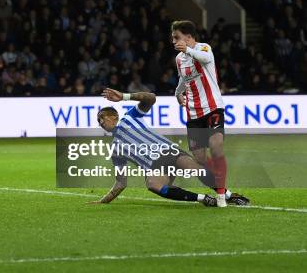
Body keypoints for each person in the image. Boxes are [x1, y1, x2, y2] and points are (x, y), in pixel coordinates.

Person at [89, 88, 249, 207]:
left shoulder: (129, 117)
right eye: (98, 121)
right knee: (153, 184)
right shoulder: (115, 150)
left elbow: (151, 98)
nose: (100, 122)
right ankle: (203, 199)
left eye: (101, 118)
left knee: (194, 168)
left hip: (167, 150)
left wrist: (125, 97)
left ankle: (228, 195)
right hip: (154, 166)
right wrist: (102, 201)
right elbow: (121, 183)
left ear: (114, 116)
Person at [172, 20, 235, 207]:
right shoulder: (178, 59)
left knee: (216, 146)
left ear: (189, 37)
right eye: (173, 37)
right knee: (199, 159)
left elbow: (205, 59)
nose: (173, 41)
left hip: (213, 107)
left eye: (177, 37)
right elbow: (183, 79)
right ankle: (221, 186)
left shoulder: (204, 48)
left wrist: (188, 50)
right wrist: (177, 92)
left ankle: (221, 195)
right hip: (193, 112)